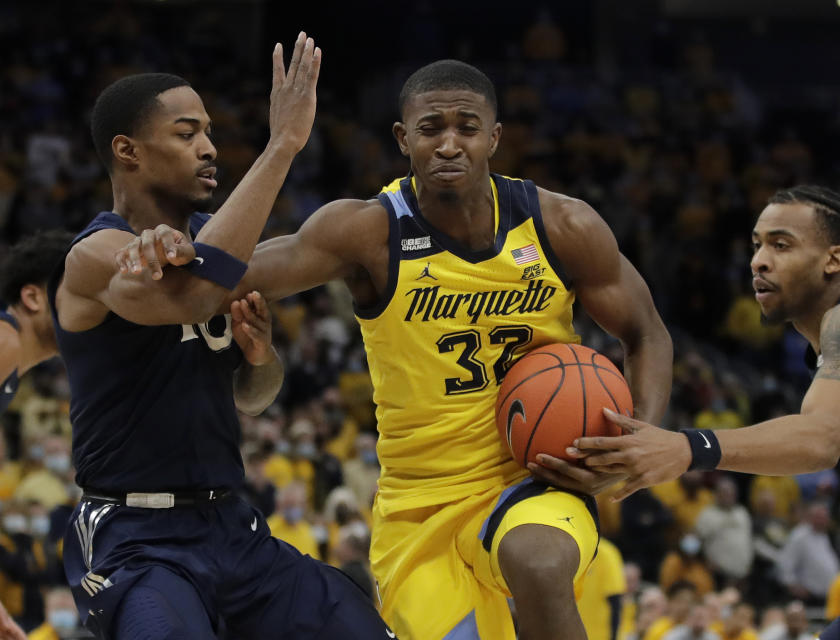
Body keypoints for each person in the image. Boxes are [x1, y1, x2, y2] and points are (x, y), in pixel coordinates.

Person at [120, 59, 673, 639]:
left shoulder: (561, 224)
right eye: (432, 128)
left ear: (495, 136)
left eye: (467, 126)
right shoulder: (368, 231)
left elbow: (646, 331)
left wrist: (642, 437)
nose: (450, 143)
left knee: (538, 562)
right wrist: (172, 248)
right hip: (418, 504)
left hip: (533, 474)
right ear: (403, 138)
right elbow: (214, 283)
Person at [50, 34, 391, 638]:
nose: (209, 149)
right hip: (137, 541)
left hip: (230, 526)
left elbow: (254, 395)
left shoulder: (222, 247)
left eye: (209, 133)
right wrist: (283, 143)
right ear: (127, 150)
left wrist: (259, 358)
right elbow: (192, 297)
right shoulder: (94, 256)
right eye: (187, 134)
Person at [569, 185, 840, 639]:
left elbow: (820, 439)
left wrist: (689, 447)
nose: (758, 260)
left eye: (781, 244)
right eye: (757, 245)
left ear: (833, 260)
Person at [0, 230, 75, 414]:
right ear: (33, 297)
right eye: (76, 295)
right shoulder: (5, 340)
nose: (87, 310)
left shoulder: (13, 368)